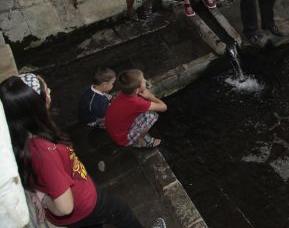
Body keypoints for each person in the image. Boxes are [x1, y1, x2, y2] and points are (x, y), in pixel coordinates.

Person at [0, 74, 166, 228]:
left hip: (78, 204)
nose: (49, 91)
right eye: (45, 91)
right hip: (86, 204)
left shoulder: (20, 135)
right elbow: (65, 207)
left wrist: (38, 190)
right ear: (35, 106)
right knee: (122, 212)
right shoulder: (43, 151)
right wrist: (44, 199)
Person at [105, 69, 167, 148]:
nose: (145, 80)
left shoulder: (123, 93)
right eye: (143, 80)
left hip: (113, 129)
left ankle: (138, 133)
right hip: (123, 139)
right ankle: (139, 139)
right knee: (152, 116)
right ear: (137, 89)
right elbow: (164, 107)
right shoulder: (136, 103)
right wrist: (150, 96)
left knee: (143, 110)